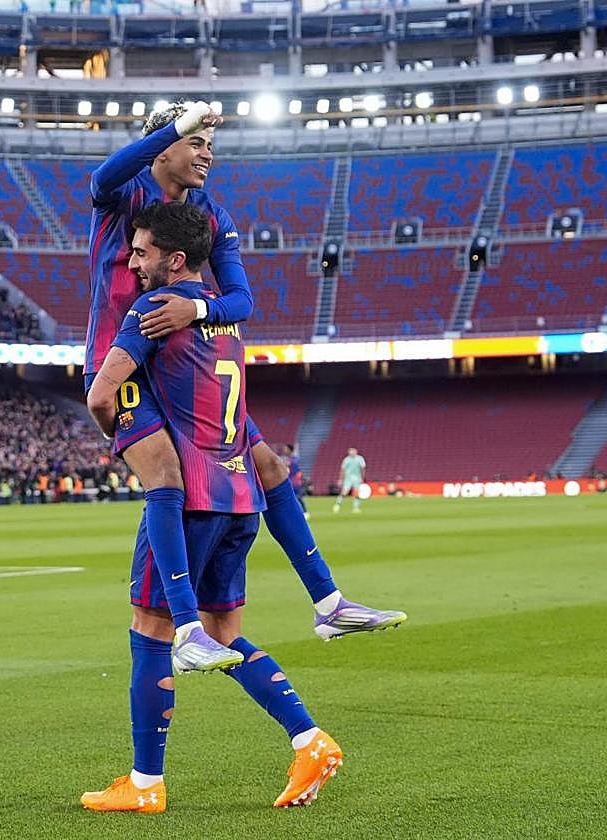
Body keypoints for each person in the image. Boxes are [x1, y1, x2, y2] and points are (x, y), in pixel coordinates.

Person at [87, 100, 404, 642]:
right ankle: (186, 628)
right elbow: (102, 176)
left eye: (210, 144)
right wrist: (175, 127)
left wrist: (196, 308)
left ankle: (328, 603)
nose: (208, 154)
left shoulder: (210, 216)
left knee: (272, 469)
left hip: (184, 369)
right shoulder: (125, 197)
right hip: (124, 364)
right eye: (196, 142)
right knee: (166, 475)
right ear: (165, 144)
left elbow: (242, 300)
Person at [83, 203, 343, 813]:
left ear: (174, 260)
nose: (133, 261)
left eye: (142, 251)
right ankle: (309, 739)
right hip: (239, 501)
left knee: (150, 630)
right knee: (226, 634)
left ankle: (145, 785)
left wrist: (123, 437)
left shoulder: (152, 309)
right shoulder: (225, 318)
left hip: (188, 502)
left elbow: (99, 393)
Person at [334, 447, 367, 514]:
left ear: (356, 452)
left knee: (356, 493)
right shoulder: (346, 460)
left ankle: (355, 507)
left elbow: (363, 468)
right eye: (350, 452)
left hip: (357, 478)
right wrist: (340, 479)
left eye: (353, 451)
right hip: (348, 478)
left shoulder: (360, 459)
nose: (352, 453)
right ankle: (338, 504)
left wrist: (362, 478)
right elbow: (342, 470)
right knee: (344, 492)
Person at [285, 443, 309, 518]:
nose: (284, 450)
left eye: (286, 449)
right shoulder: (289, 460)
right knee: (291, 498)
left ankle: (305, 512)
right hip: (290, 481)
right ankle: (292, 513)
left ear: (290, 450)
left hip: (295, 482)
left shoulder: (294, 460)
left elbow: (297, 471)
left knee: (298, 497)